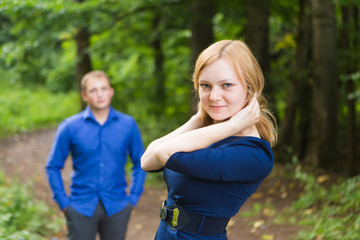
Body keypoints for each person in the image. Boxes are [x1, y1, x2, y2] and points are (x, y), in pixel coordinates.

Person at [141, 39, 277, 240]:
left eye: (227, 85)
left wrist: (232, 126)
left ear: (250, 87)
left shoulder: (253, 155)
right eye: (205, 85)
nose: (214, 96)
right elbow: (147, 160)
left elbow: (162, 153)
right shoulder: (208, 131)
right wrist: (197, 119)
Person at [45, 70, 146, 240]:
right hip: (80, 207)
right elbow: (52, 166)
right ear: (84, 95)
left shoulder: (128, 124)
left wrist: (133, 198)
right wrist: (64, 203)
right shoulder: (69, 127)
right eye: (93, 90)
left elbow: (140, 162)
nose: (100, 94)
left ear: (111, 91)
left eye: (104, 88)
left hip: (117, 207)